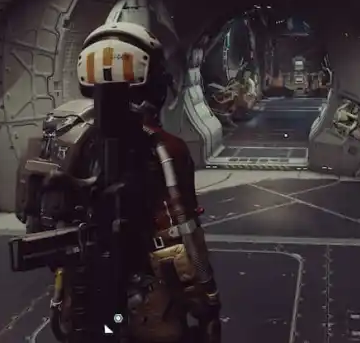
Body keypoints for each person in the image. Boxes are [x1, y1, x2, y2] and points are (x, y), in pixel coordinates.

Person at [17, 21, 222, 342]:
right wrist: (208, 302)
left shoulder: (65, 135)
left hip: (79, 299)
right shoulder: (164, 148)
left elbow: (35, 221)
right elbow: (183, 234)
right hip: (143, 305)